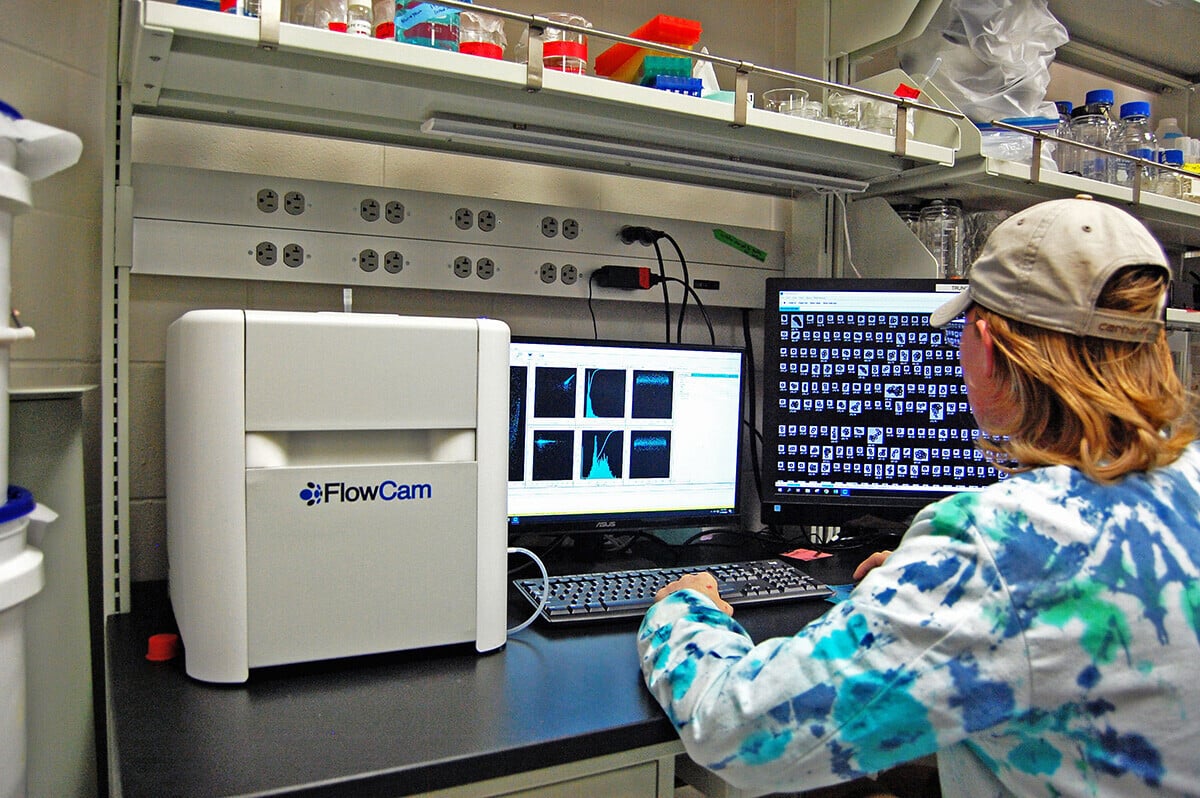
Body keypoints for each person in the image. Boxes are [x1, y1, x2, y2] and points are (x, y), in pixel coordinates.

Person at [637, 195, 1200, 797]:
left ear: (984, 345)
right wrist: (925, 585)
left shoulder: (1000, 547)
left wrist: (681, 613)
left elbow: (739, 732)